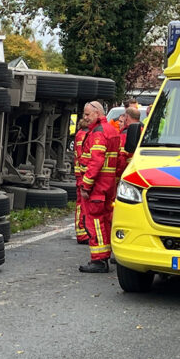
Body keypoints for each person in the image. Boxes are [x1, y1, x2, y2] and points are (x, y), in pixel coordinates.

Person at [77, 101, 120, 273]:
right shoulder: (112, 130)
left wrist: (86, 185)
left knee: (94, 220)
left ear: (97, 113)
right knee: (107, 219)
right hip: (109, 184)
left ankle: (99, 260)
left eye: (88, 114)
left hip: (97, 185)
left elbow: (96, 161)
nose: (85, 117)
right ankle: (107, 253)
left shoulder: (98, 133)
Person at [73, 117, 90, 245]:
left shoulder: (82, 133)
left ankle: (83, 231)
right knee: (81, 205)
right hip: (82, 174)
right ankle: (81, 233)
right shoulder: (83, 135)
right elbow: (82, 156)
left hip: (82, 173)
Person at [116, 107, 141, 180]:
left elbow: (122, 157)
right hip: (139, 170)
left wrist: (118, 176)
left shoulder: (125, 134)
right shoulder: (144, 130)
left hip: (127, 171)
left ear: (127, 117)